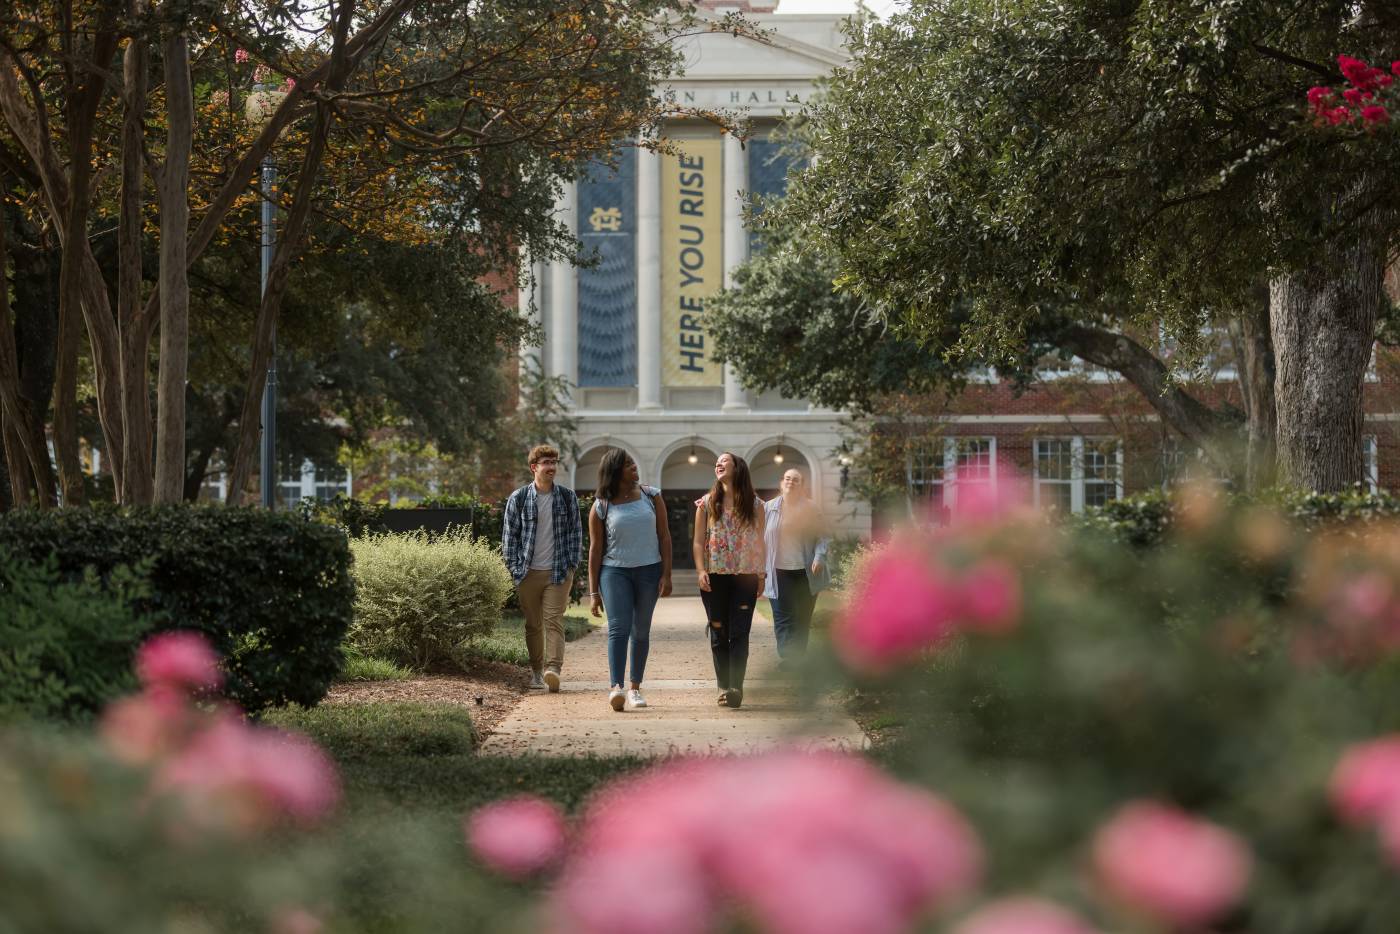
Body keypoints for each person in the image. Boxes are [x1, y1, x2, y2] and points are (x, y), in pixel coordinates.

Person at [588, 449, 672, 712]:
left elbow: (665, 536)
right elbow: (595, 549)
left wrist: (666, 575)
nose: (634, 466)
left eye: (633, 463)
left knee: (641, 630)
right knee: (618, 628)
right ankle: (616, 687)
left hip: (649, 571)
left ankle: (635, 689)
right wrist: (593, 592)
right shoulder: (601, 505)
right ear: (614, 470)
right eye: (627, 464)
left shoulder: (651, 495)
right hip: (614, 572)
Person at [502, 444, 582, 692]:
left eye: (554, 462)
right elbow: (509, 537)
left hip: (558, 571)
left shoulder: (567, 497)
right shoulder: (519, 498)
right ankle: (536, 671)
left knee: (553, 621)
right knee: (533, 624)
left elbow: (575, 533)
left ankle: (553, 670)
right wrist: (515, 568)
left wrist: (571, 565)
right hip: (527, 572)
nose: (552, 467)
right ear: (534, 467)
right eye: (547, 463)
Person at [693, 452, 766, 709]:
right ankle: (723, 686)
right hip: (715, 577)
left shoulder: (756, 505)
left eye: (725, 461)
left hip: (745, 577)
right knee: (718, 632)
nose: (719, 464)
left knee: (740, 632)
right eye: (717, 462)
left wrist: (761, 574)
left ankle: (736, 686)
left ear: (738, 467)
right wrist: (701, 570)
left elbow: (760, 542)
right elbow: (698, 541)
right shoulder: (706, 503)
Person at [763, 468, 831, 664]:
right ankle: (787, 658)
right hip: (777, 573)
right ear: (781, 483)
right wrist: (707, 502)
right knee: (782, 617)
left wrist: (819, 557)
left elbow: (823, 536)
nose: (790, 482)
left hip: (805, 572)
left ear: (802, 486)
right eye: (787, 478)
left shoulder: (811, 509)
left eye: (795, 480)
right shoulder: (768, 508)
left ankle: (798, 659)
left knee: (802, 618)